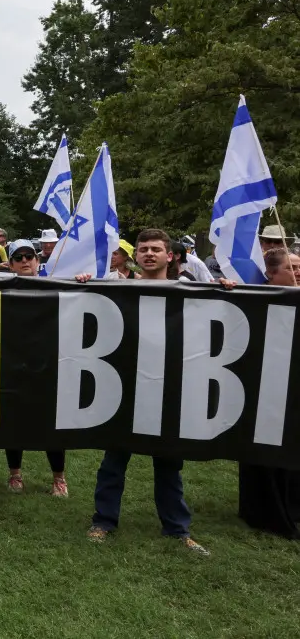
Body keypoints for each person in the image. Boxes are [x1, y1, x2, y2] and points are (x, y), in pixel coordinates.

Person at [88, 228, 227, 555]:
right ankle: (103, 521)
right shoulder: (118, 290)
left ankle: (177, 528)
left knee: (168, 464)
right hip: (125, 388)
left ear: (170, 256)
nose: (149, 253)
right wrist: (82, 282)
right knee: (114, 460)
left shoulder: (191, 292)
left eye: (156, 249)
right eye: (143, 249)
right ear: (136, 255)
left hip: (170, 391)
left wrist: (229, 294)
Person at [239, 247, 300, 537]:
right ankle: (264, 508)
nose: (298, 271)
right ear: (271, 274)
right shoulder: (254, 300)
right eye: (292, 267)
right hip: (264, 392)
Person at [1, 239, 68, 497]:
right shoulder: (0, 288)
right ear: (10, 263)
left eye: (30, 256)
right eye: (19, 257)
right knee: (14, 422)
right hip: (13, 364)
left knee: (51, 423)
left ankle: (59, 478)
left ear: (38, 261)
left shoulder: (53, 286)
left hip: (48, 364)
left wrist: (83, 278)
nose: (26, 260)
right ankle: (15, 474)